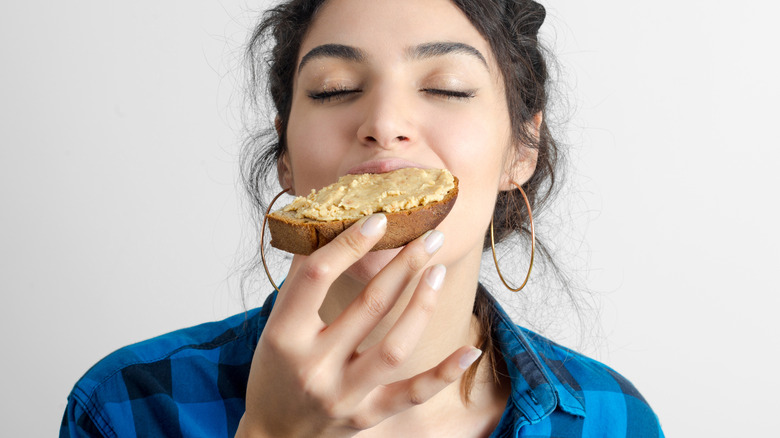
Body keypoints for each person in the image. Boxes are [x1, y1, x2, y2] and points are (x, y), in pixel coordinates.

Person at [60, 0, 664, 436]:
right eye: (334, 88)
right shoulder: (128, 406)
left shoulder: (613, 418)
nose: (384, 122)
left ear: (522, 149)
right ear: (286, 159)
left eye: (448, 87)